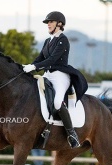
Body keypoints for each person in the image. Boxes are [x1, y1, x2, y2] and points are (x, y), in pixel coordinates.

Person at [23, 11, 88, 148]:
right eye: (48, 22)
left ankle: (71, 134)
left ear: (59, 24)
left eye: (51, 22)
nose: (48, 24)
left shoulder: (63, 40)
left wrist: (34, 66)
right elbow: (40, 58)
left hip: (60, 75)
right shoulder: (48, 41)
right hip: (47, 74)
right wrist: (27, 67)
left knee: (58, 102)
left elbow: (52, 59)